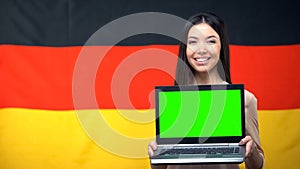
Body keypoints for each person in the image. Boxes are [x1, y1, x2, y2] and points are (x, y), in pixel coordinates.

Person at [148, 12, 264, 169]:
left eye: (210, 41)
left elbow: (258, 166)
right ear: (185, 47)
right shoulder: (172, 100)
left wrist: (251, 152)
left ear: (221, 45)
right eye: (193, 42)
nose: (201, 50)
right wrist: (155, 155)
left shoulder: (244, 99)